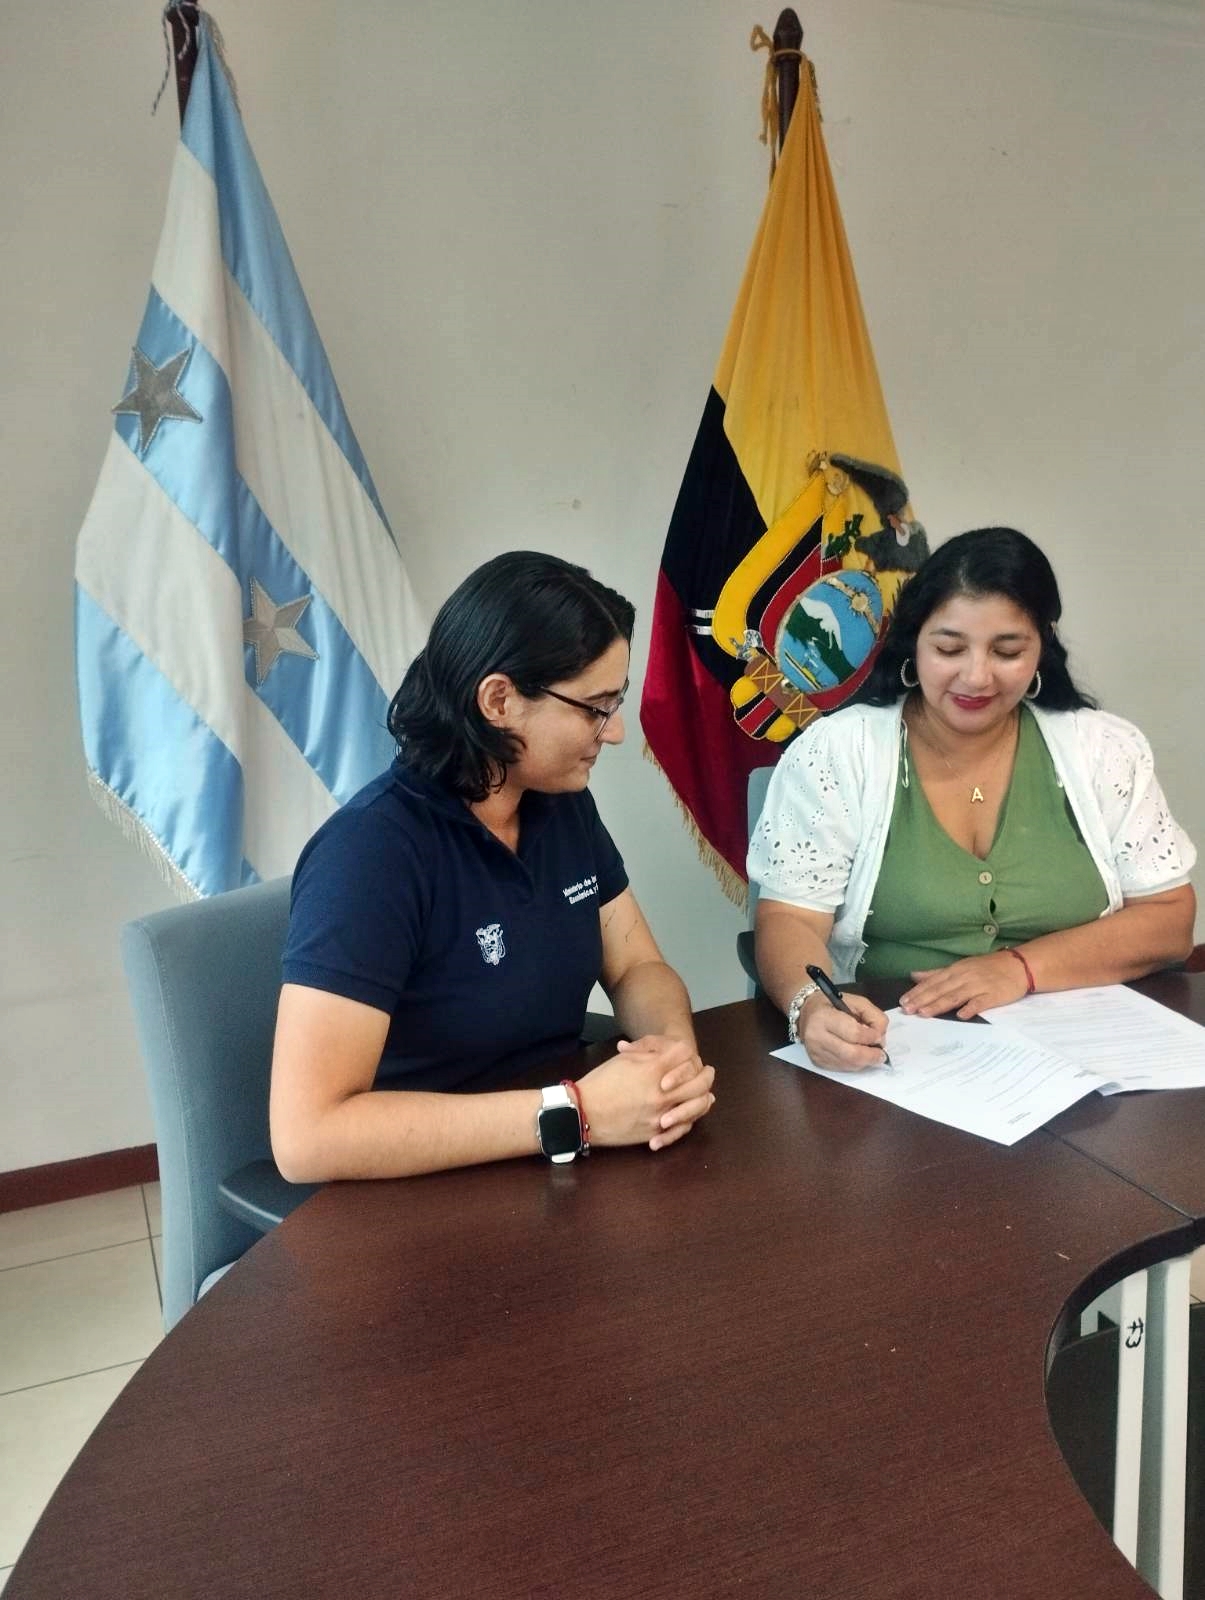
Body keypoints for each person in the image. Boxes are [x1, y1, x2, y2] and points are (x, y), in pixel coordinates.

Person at [270, 551, 715, 1180]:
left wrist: (670, 1063)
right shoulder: (369, 854)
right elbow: (306, 1137)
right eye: (595, 707)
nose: (614, 732)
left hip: (552, 1155)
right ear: (499, 700)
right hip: (419, 1185)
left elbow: (636, 966)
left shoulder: (561, 805)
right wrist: (576, 1111)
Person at [748, 527, 1197, 1070]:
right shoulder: (840, 751)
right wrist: (812, 1007)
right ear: (914, 641)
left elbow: (1169, 920)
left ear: (1042, 647)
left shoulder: (1103, 748)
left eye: (1007, 651)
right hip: (900, 1051)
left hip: (1086, 1049)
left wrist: (1020, 968)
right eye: (949, 648)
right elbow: (789, 920)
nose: (977, 676)